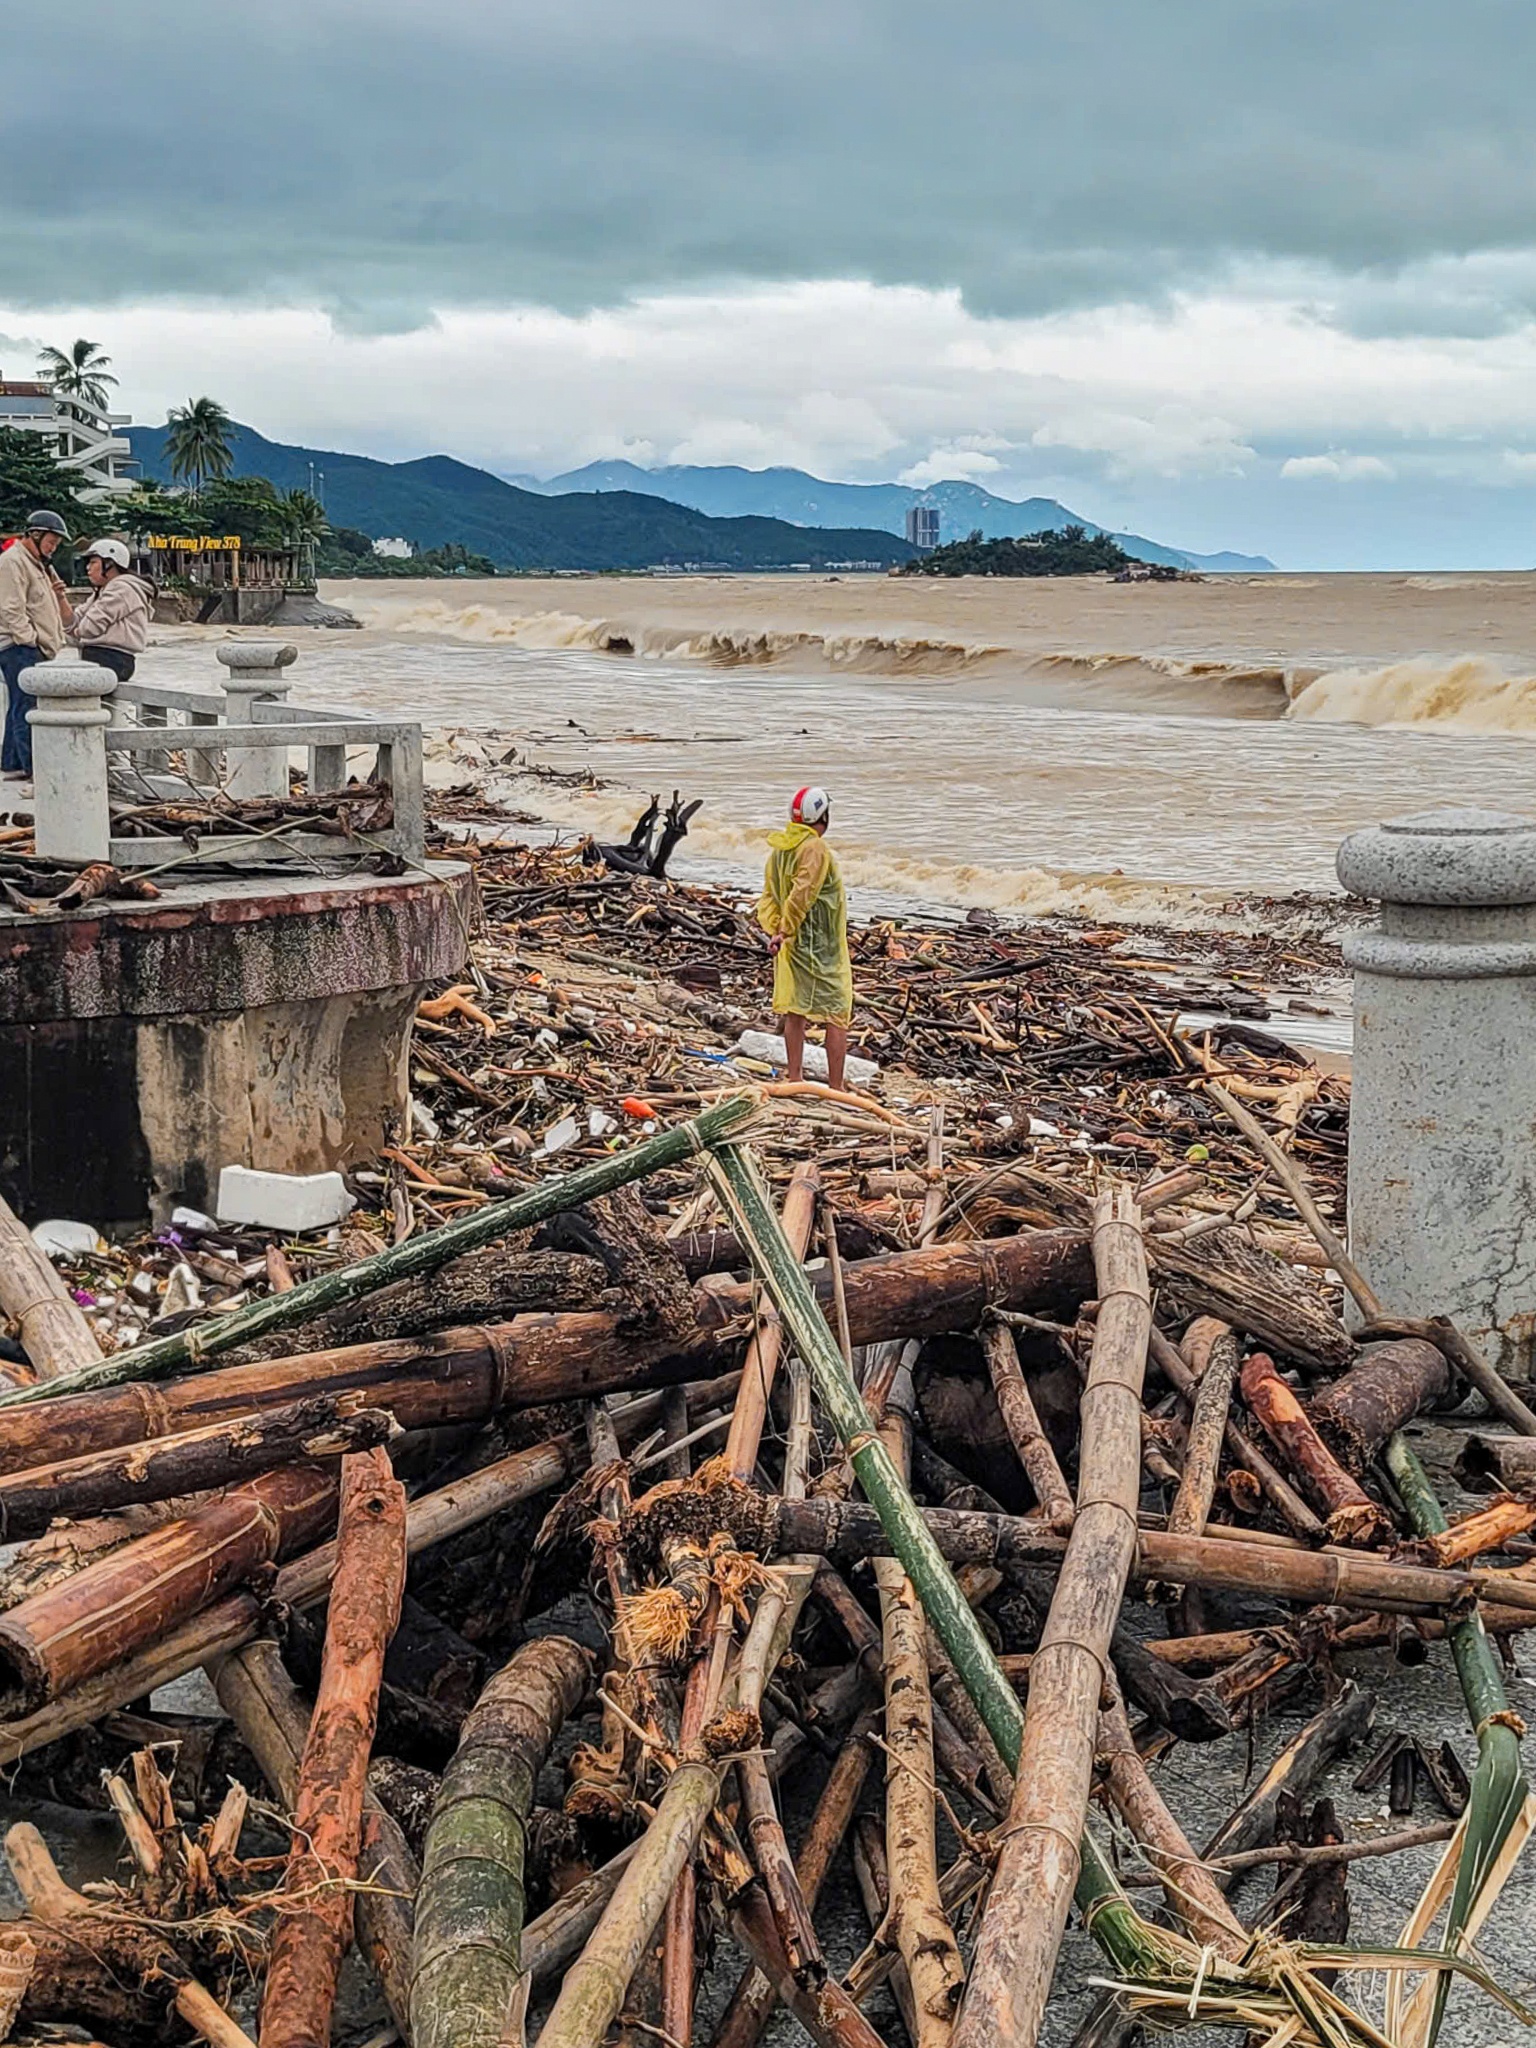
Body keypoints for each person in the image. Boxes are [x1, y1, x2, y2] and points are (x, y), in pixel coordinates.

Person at [757, 784, 853, 1088]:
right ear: (823, 816)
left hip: (793, 942)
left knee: (796, 1009)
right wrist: (785, 930)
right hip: (821, 945)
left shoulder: (781, 849)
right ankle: (835, 1086)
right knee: (837, 1012)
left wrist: (776, 929)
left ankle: (795, 1077)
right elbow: (803, 893)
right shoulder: (815, 848)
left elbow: (769, 896)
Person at [0, 510, 73, 782]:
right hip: (19, 647)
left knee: (19, 704)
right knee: (28, 708)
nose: (53, 548)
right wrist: (29, 639)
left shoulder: (36, 564)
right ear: (35, 535)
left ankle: (13, 763)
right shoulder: (13, 561)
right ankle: (34, 768)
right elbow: (10, 609)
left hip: (30, 646)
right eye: (51, 542)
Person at [68, 538, 152, 683]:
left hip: (112, 658)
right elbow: (77, 619)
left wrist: (76, 631)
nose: (88, 568)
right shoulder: (103, 590)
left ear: (109, 564)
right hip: (105, 657)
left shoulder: (121, 589)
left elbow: (89, 627)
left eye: (93, 562)